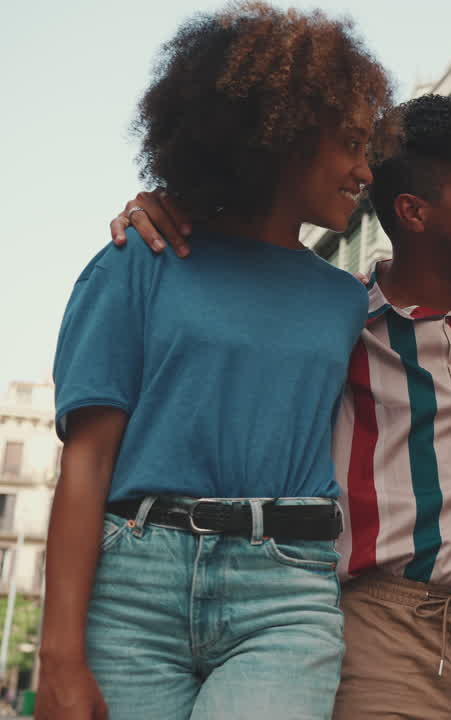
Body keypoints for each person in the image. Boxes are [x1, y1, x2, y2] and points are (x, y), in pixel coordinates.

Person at [108, 94, 451, 720]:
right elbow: (236, 310)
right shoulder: (339, 318)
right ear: (413, 211)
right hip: (375, 632)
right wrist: (178, 213)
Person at [37, 5, 392, 720]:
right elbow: (87, 462)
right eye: (352, 143)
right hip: (132, 590)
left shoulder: (346, 300)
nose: (365, 170)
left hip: (285, 597)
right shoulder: (138, 261)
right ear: (282, 135)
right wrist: (59, 659)